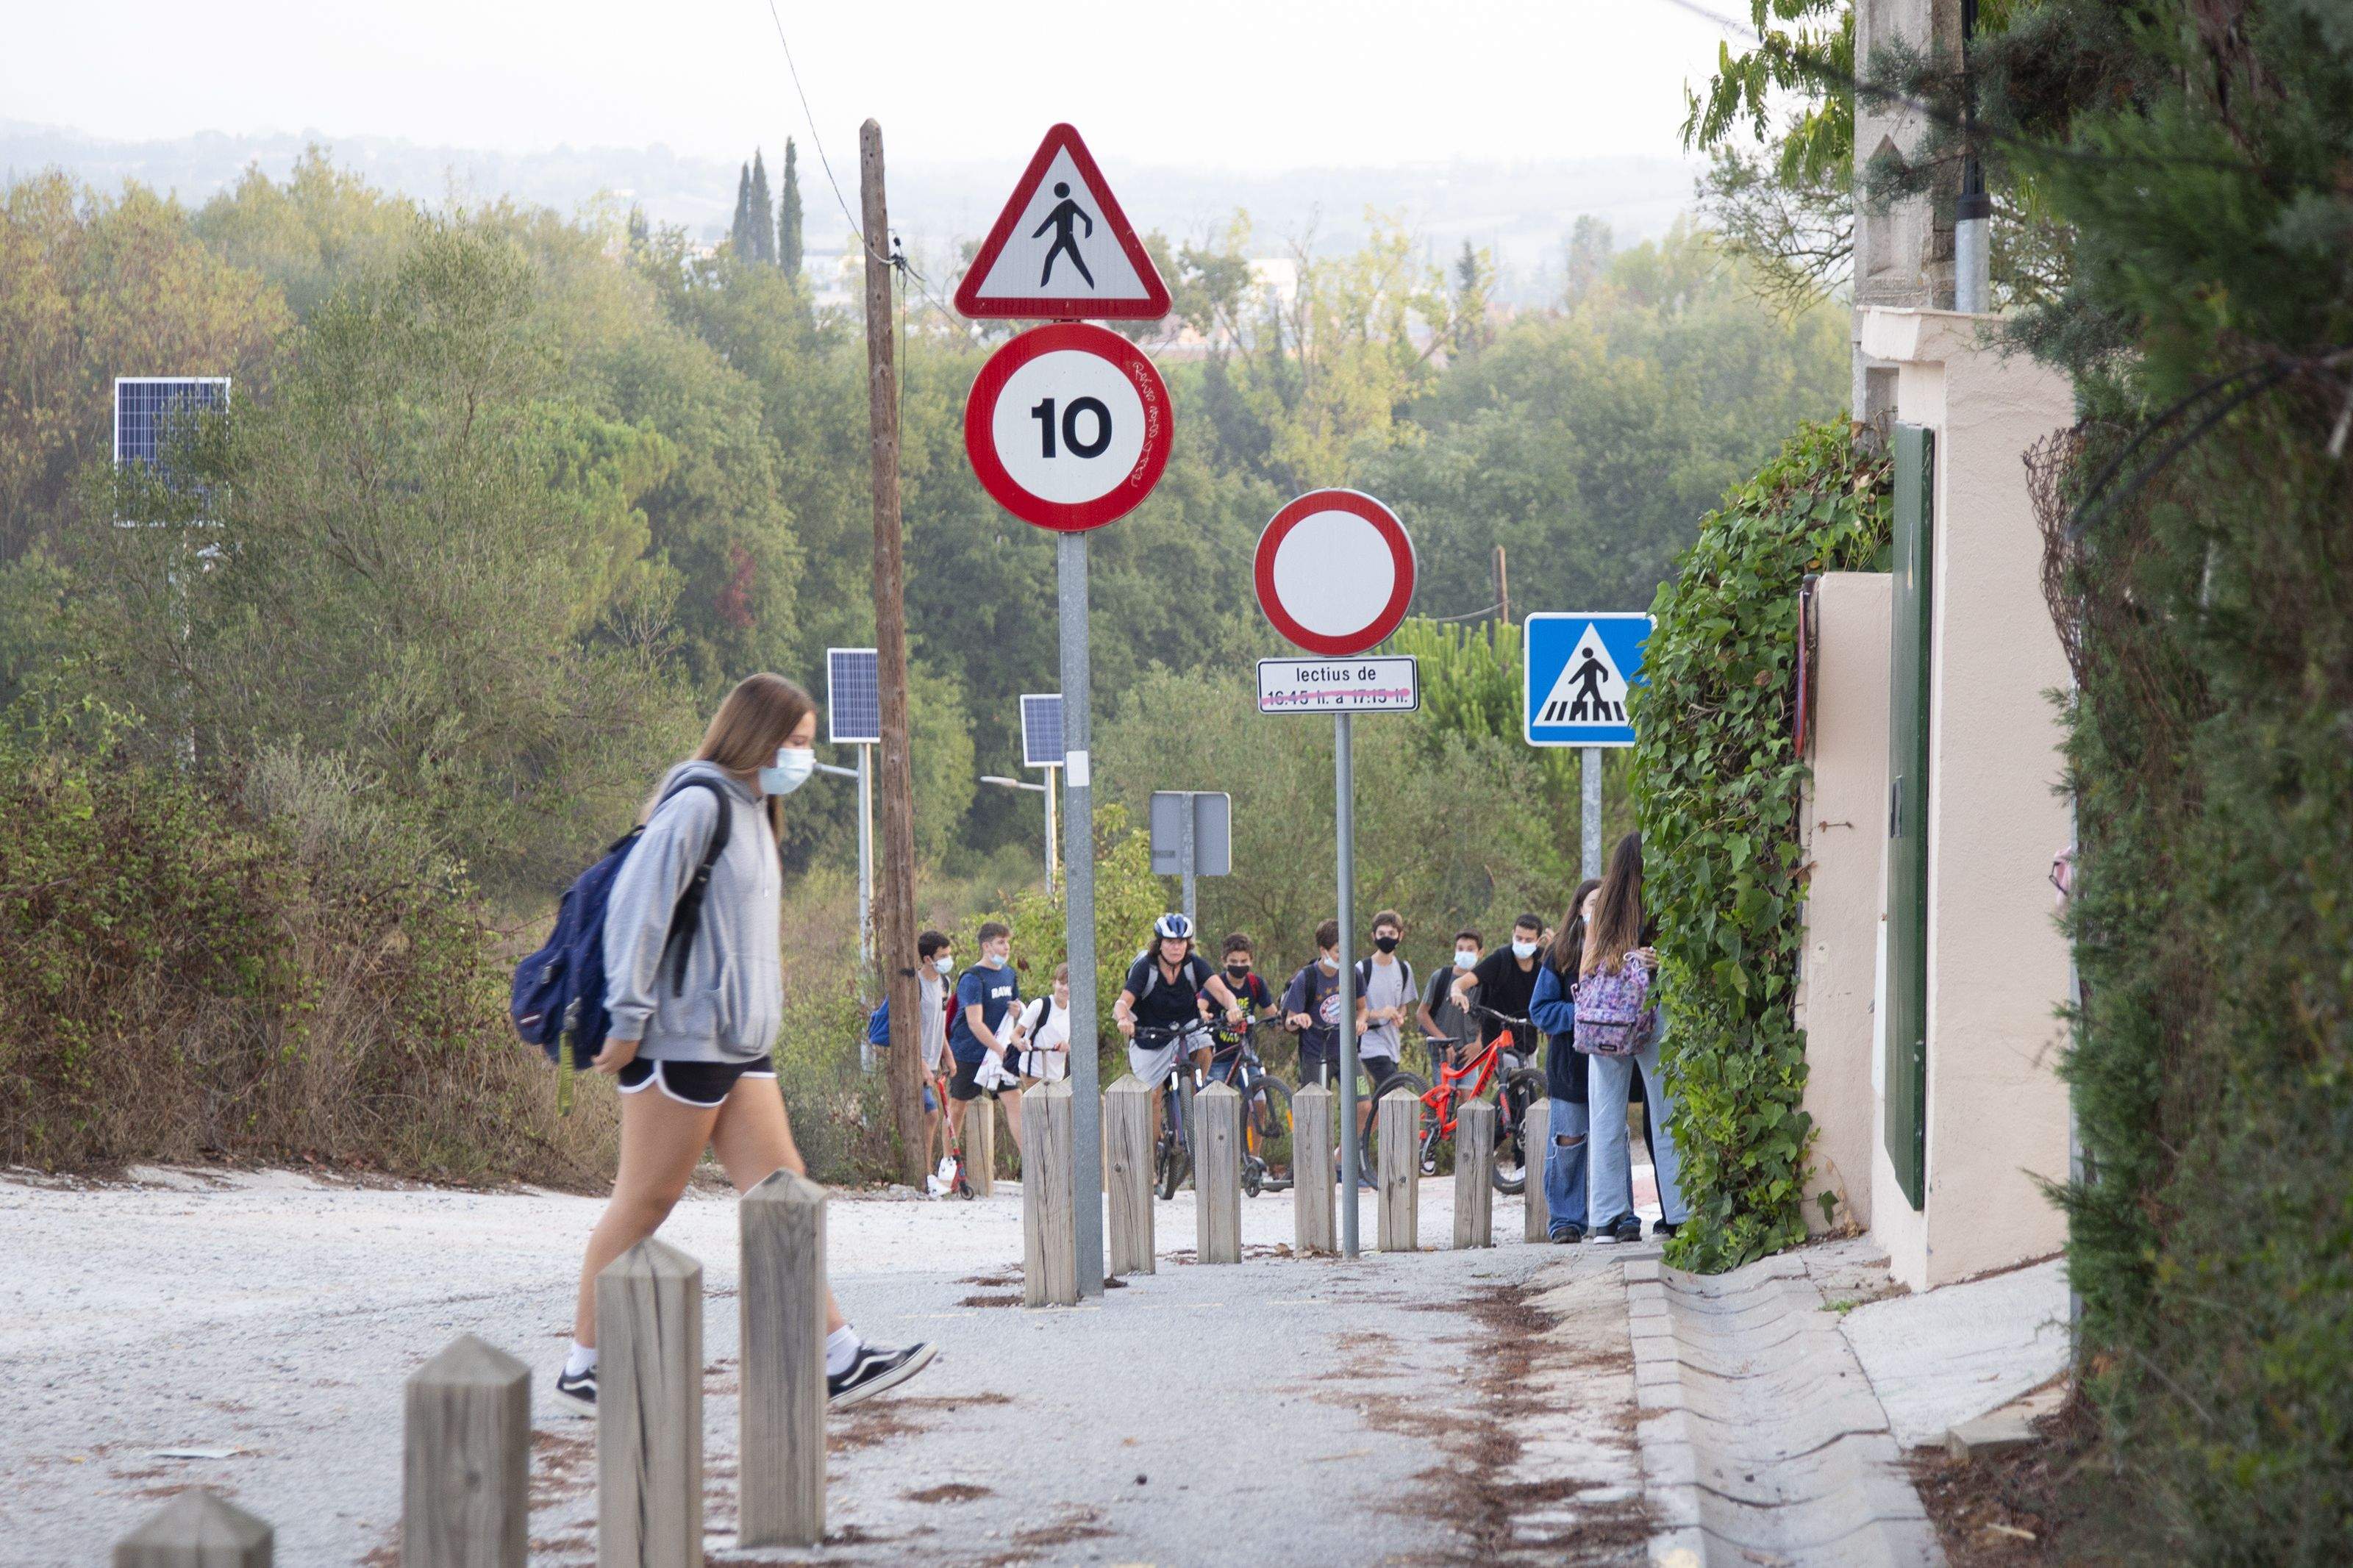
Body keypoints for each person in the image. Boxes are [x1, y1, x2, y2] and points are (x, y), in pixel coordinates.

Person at [559, 673, 934, 1416]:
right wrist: (628, 1017)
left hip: (738, 1045)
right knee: (646, 1200)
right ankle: (584, 1365)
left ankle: (835, 1356)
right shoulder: (698, 804)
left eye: (807, 744)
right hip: (681, 1040)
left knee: (784, 1195)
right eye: (792, 742)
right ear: (752, 736)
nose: (802, 756)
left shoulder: (758, 813)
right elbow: (637, 910)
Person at [1579, 832, 1688, 1243]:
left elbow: (1586, 968)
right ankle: (1679, 1213)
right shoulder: (1662, 900)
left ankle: (1605, 1220)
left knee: (1605, 1114)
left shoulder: (1603, 906)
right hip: (1653, 1008)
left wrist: (1615, 962)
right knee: (1666, 1111)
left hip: (1606, 1017)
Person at [1113, 913, 1246, 1144]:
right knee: (1152, 1097)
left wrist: (1233, 1007)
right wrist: (1124, 1019)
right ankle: (1152, 1159)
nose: (1177, 947)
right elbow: (1123, 1003)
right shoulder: (1146, 968)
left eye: (1182, 942)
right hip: (1152, 1035)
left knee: (1205, 1045)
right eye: (1171, 942)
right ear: (1160, 944)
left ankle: (1193, 1095)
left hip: (1187, 1027)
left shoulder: (1194, 964)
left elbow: (1223, 992)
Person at [1528, 881, 1602, 1242]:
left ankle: (1616, 1217)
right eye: (1592, 902)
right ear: (1578, 908)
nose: (1598, 909)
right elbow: (1540, 1009)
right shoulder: (1560, 953)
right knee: (1569, 1142)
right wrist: (1583, 1013)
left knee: (1611, 1140)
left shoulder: (1623, 950)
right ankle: (1566, 1220)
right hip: (1569, 1064)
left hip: (1610, 1064)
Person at [947, 920, 1025, 1161]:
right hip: (969, 1052)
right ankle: (949, 1165)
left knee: (1015, 1101)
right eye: (1001, 943)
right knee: (958, 1107)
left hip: (999, 1053)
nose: (1006, 948)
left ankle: (1033, 1165)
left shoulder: (1009, 974)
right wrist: (1001, 1050)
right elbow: (974, 1022)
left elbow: (1017, 1010)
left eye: (1007, 942)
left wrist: (1018, 1010)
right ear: (987, 946)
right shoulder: (973, 978)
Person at [1452, 912, 1547, 1055]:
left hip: (1527, 1035)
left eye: (1528, 941)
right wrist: (1456, 991)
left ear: (1538, 941)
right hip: (1497, 1036)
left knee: (1529, 1075)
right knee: (1508, 1072)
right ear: (1513, 935)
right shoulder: (1501, 959)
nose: (1522, 944)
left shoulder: (1544, 960)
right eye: (1519, 938)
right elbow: (1462, 982)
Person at [1207, 933, 1279, 1087]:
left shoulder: (1256, 983)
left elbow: (1272, 1013)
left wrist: (1281, 1020)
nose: (1239, 965)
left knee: (1259, 1096)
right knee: (1216, 1103)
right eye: (1233, 961)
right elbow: (1200, 1007)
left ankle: (1253, 1112)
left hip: (1245, 1051)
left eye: (1244, 961)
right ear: (1224, 962)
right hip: (1218, 1057)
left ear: (1251, 961)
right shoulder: (1216, 984)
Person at [1418, 928, 1482, 1081]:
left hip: (1469, 1051)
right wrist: (1443, 1039)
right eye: (1460, 949)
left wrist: (1479, 1044)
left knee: (1469, 1101)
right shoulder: (1441, 977)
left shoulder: (1483, 982)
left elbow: (1486, 1017)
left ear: (1480, 952)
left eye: (1470, 949)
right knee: (1445, 1098)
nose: (1464, 953)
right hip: (1442, 1052)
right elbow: (1422, 1013)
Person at [917, 930, 955, 1176]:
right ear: (928, 959)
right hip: (916, 1062)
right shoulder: (915, 985)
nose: (947, 960)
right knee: (930, 1114)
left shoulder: (945, 983)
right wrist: (919, 1062)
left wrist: (948, 1056)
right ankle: (925, 1172)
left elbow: (939, 1024)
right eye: (942, 956)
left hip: (933, 1060)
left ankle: (926, 1171)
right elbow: (907, 1028)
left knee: (932, 1114)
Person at [1010, 963, 1072, 1084]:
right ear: (1054, 983)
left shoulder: (1074, 1010)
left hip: (1057, 1075)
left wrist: (1067, 1047)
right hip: (1034, 1072)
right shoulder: (1040, 1005)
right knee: (1038, 1103)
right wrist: (1021, 1043)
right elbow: (1015, 1035)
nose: (1065, 988)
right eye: (1062, 983)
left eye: (1069, 984)